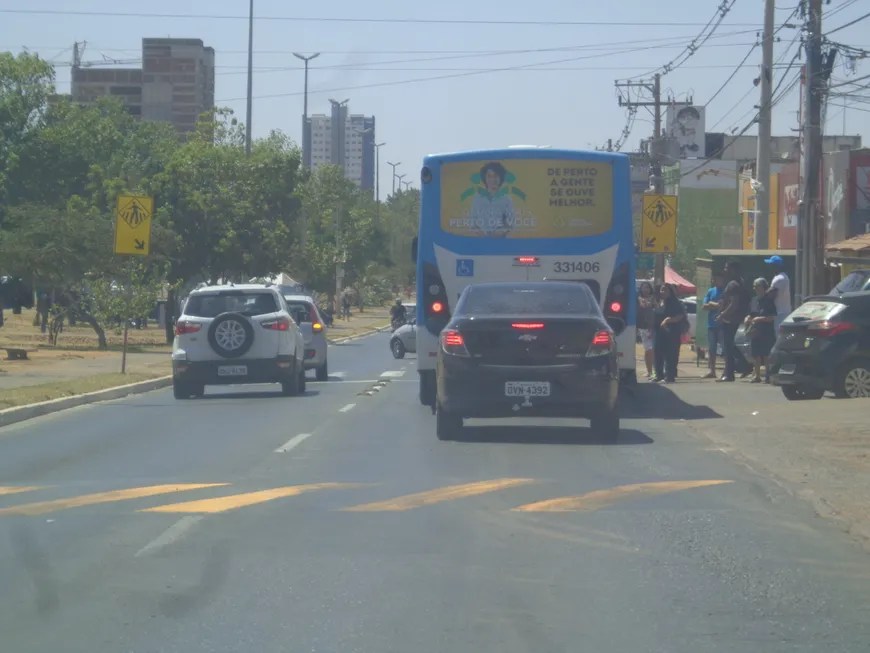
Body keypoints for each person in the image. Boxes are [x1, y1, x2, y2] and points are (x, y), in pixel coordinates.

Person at [715, 259, 752, 382]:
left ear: (733, 270)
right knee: (729, 346)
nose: (725, 270)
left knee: (727, 347)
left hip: (730, 319)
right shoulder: (739, 282)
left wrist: (722, 315)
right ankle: (744, 366)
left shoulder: (733, 284)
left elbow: (734, 304)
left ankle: (729, 373)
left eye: (727, 268)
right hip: (735, 318)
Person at [745, 277, 778, 384]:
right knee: (756, 354)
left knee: (766, 354)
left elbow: (772, 317)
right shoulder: (754, 301)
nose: (756, 289)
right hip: (755, 331)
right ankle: (757, 375)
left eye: (758, 286)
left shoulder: (769, 301)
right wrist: (748, 318)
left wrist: (760, 319)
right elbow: (751, 313)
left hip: (766, 331)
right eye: (754, 287)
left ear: (764, 288)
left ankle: (768, 376)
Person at [652, 283, 686, 384]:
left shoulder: (675, 303)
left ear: (670, 292)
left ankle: (669, 376)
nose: (662, 292)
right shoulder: (659, 302)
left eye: (665, 290)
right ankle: (658, 375)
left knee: (671, 354)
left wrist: (667, 320)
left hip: (672, 332)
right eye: (661, 290)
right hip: (659, 332)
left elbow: (680, 316)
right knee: (657, 353)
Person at [701, 272, 725, 379]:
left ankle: (726, 370)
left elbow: (724, 306)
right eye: (713, 279)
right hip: (711, 324)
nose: (714, 281)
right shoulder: (711, 291)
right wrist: (713, 305)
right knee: (712, 349)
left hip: (723, 324)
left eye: (716, 278)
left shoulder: (725, 291)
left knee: (725, 348)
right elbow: (704, 306)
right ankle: (712, 370)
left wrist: (712, 304)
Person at [764, 255, 792, 334]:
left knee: (780, 338)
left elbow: (770, 294)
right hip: (782, 313)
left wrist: (764, 293)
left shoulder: (780, 278)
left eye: (771, 265)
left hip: (781, 314)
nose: (769, 267)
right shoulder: (781, 277)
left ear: (776, 266)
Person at [636, 281, 656, 378]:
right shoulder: (638, 299)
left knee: (653, 349)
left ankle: (655, 370)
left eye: (647, 287)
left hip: (654, 327)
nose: (645, 289)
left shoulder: (654, 299)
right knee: (648, 349)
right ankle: (649, 371)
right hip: (643, 327)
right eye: (643, 287)